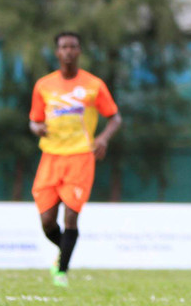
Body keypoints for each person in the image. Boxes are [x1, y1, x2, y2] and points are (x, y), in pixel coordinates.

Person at [29, 31, 123, 288]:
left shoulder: (94, 85)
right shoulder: (43, 85)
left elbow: (114, 117)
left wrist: (103, 138)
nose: (68, 51)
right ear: (57, 52)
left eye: (73, 47)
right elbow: (34, 120)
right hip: (51, 156)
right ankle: (64, 252)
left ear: (79, 51)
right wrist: (37, 128)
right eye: (64, 47)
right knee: (47, 221)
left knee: (71, 216)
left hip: (80, 156)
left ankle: (61, 272)